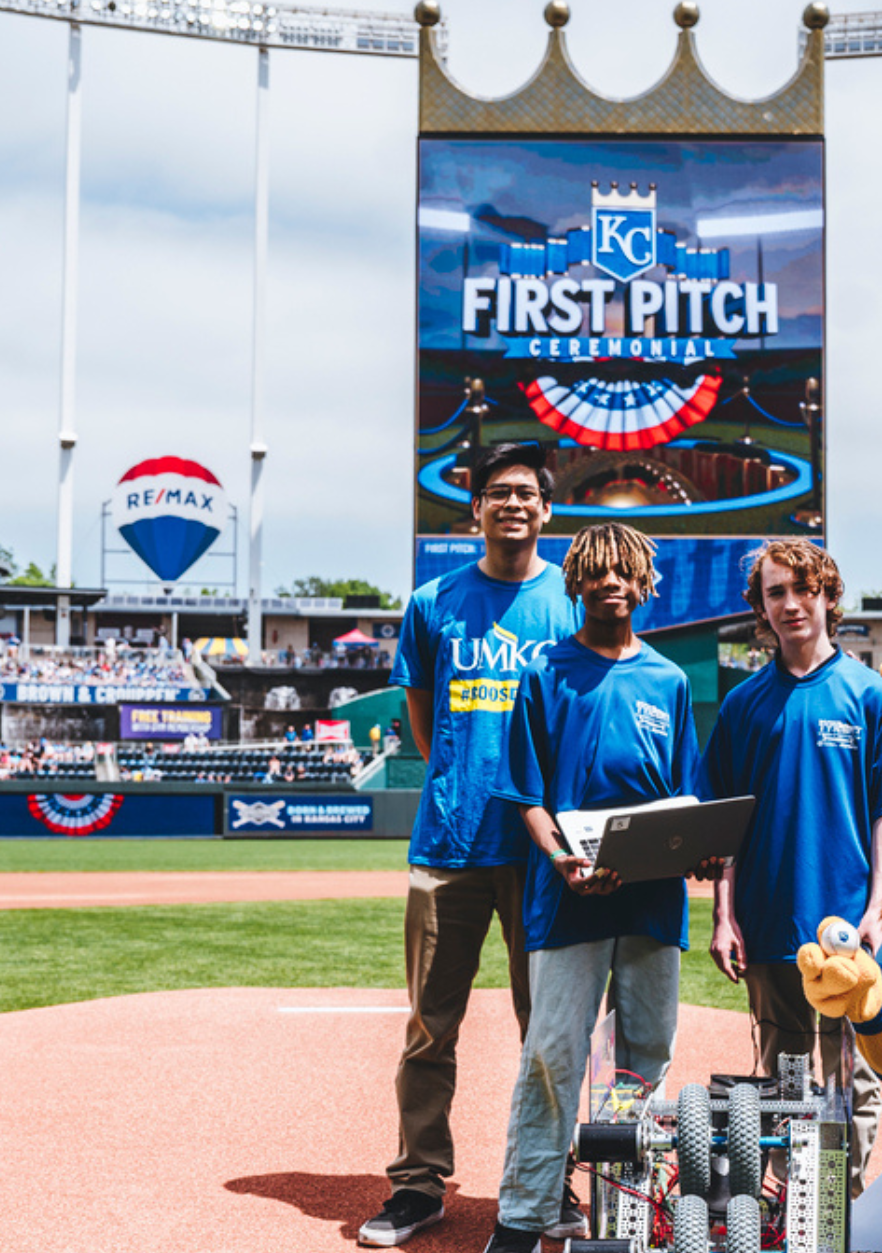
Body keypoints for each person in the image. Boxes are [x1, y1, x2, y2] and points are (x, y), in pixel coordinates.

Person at [362, 443, 582, 1249]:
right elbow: (422, 720)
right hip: (449, 844)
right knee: (429, 1028)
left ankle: (548, 1178)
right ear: (477, 510)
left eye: (526, 493)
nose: (513, 504)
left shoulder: (571, 603)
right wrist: (462, 774)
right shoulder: (434, 601)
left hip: (540, 855)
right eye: (498, 493)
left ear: (547, 510)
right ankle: (418, 1186)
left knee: (548, 1032)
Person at [486, 522, 713, 1253]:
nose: (612, 583)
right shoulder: (546, 672)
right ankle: (523, 1216)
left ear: (645, 584)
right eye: (598, 572)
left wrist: (697, 853)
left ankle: (615, 1200)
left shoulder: (669, 680)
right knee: (553, 1056)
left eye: (625, 573)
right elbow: (527, 795)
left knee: (643, 1054)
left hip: (650, 900)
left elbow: (684, 800)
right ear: (577, 581)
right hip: (568, 899)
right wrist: (561, 860)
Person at [702, 540, 882, 1195]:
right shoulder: (742, 706)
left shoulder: (872, 696)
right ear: (760, 607)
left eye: (802, 588)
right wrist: (724, 917)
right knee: (782, 1080)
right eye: (775, 592)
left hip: (851, 927)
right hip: (768, 922)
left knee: (854, 1078)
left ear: (828, 595)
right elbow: (723, 828)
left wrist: (879, 907)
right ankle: (788, 1202)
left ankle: (845, 1204)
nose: (790, 603)